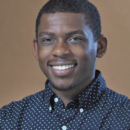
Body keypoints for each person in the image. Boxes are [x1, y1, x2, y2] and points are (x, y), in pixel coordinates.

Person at [0, 0, 130, 129]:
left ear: (100, 47)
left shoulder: (125, 117)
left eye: (75, 39)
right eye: (48, 40)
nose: (60, 51)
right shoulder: (9, 119)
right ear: (36, 48)